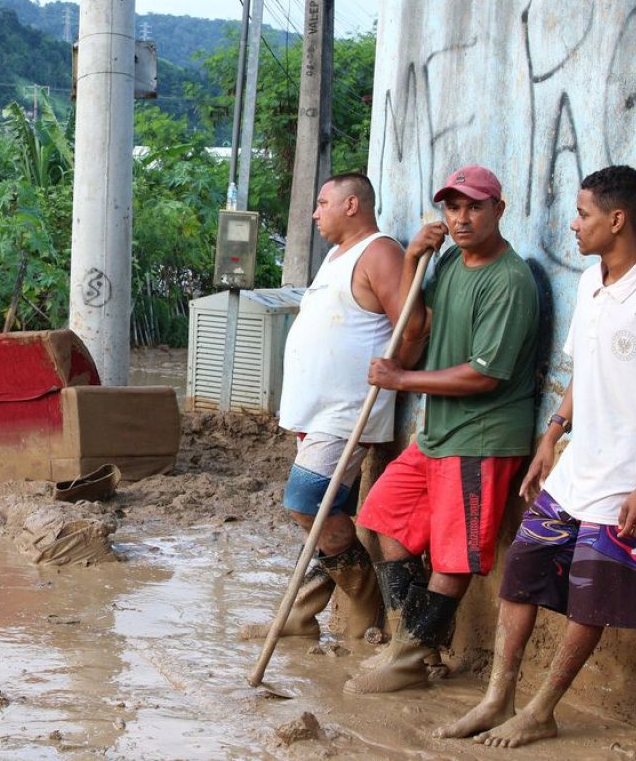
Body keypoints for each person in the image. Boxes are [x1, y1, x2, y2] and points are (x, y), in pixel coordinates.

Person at [434, 165, 636, 747]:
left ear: (616, 219)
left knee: (589, 600)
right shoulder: (590, 282)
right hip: (575, 469)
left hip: (623, 481)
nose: (573, 225)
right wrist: (553, 434)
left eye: (583, 214)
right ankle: (499, 697)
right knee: (520, 574)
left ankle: (543, 709)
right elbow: (583, 370)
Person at [343, 164, 540, 694]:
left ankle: (409, 656)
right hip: (437, 435)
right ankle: (418, 640)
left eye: (474, 206)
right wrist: (412, 258)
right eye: (453, 208)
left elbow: (484, 374)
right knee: (385, 517)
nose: (461, 217)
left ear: (499, 209)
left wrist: (402, 377)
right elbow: (417, 318)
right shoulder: (450, 259)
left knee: (454, 553)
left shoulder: (510, 280)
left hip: (481, 436)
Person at [240, 173, 404, 641]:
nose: (315, 213)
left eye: (322, 202)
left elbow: (412, 326)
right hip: (317, 413)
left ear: (352, 204)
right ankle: (301, 613)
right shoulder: (337, 255)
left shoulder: (379, 251)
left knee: (306, 503)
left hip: (346, 411)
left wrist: (398, 375)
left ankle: (368, 606)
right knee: (322, 509)